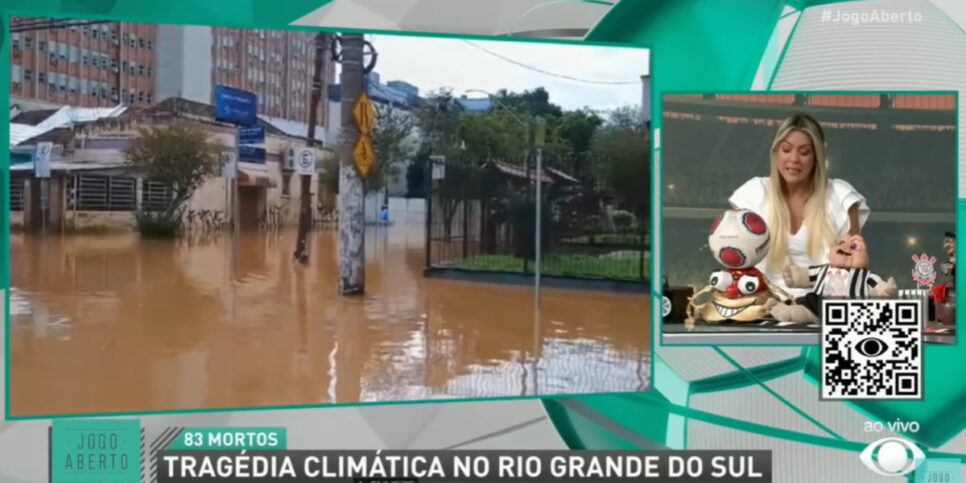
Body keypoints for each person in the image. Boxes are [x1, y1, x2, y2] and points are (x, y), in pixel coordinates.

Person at [729, 113, 870, 298]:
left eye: (804, 152)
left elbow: (855, 270)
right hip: (762, 308)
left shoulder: (841, 196)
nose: (794, 159)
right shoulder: (753, 193)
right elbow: (735, 261)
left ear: (816, 156)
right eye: (786, 149)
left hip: (822, 309)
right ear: (776, 151)